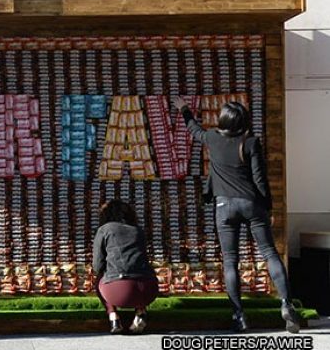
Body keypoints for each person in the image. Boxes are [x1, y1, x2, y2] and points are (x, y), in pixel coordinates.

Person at [172, 97, 299, 333]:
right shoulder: (250, 142)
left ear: (223, 119)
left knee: (231, 261)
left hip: (223, 207)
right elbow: (260, 179)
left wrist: (184, 109)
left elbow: (194, 129)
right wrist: (268, 208)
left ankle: (239, 316)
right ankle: (286, 305)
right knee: (270, 253)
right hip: (251, 203)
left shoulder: (211, 138)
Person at [93, 200, 158, 335]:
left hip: (117, 290)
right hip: (148, 288)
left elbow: (97, 265)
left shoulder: (104, 230)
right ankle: (140, 312)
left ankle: (113, 316)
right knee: (140, 271)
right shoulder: (138, 230)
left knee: (99, 278)